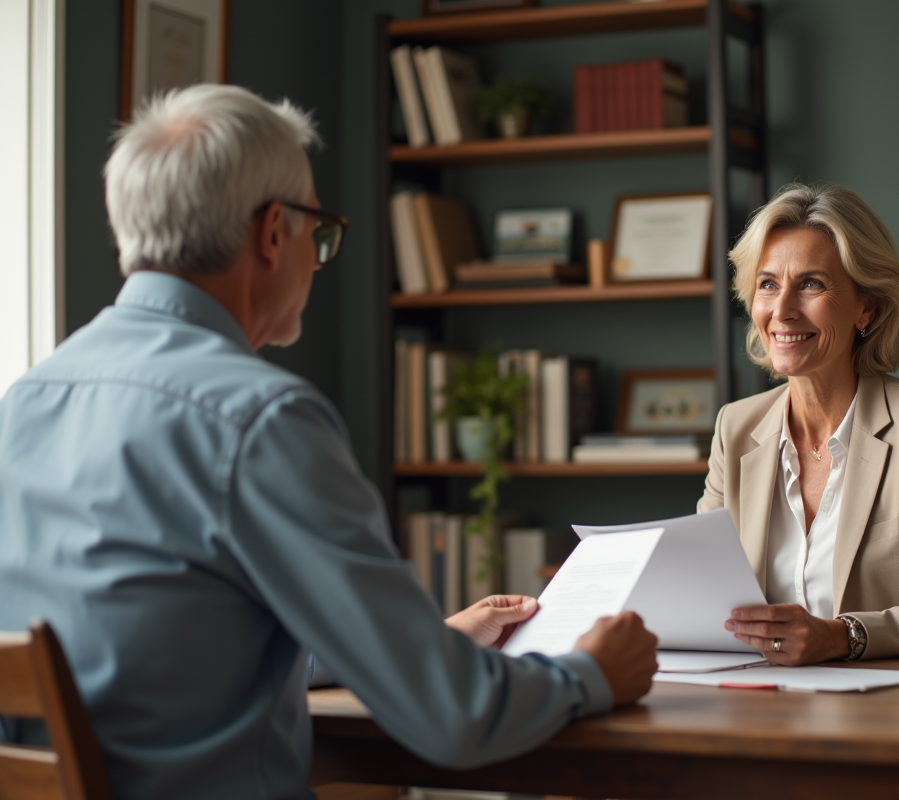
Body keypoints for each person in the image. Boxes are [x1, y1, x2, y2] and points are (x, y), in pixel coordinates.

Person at [0, 84, 657, 800]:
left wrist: (422, 647)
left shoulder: (25, 403)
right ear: (272, 233)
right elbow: (455, 718)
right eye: (318, 232)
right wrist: (593, 672)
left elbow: (179, 661)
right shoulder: (259, 419)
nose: (318, 260)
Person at [700, 183, 899, 665]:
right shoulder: (735, 429)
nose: (782, 310)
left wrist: (841, 636)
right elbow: (696, 593)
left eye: (811, 284)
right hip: (753, 697)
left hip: (885, 704)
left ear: (867, 307)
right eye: (768, 284)